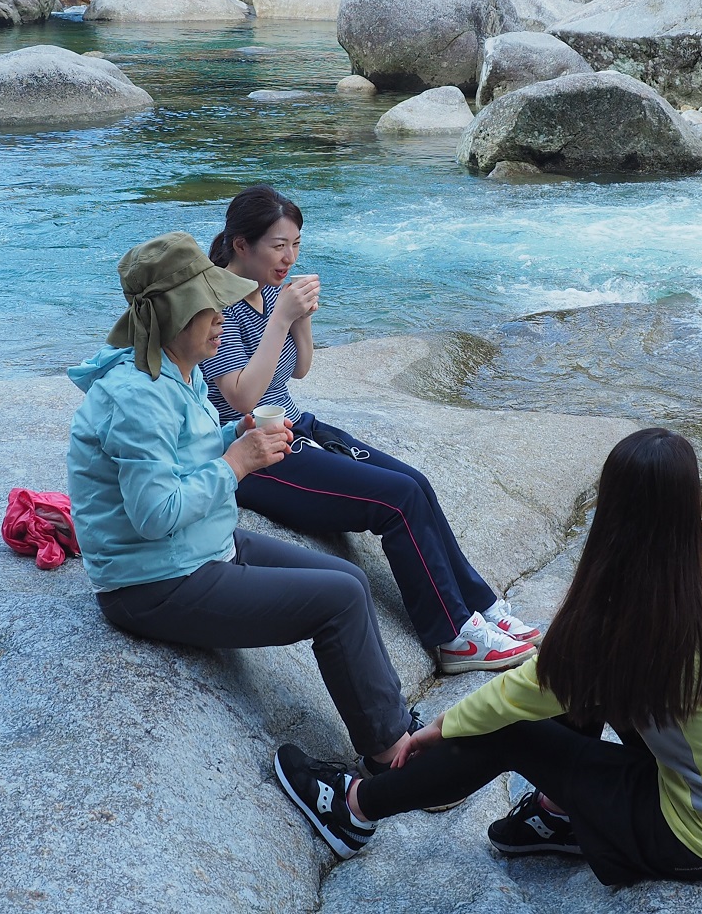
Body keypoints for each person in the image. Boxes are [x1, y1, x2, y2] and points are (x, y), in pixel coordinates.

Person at [272, 427, 702, 888]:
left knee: (512, 730)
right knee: (591, 689)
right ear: (693, 504)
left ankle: (354, 810)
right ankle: (561, 814)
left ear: (612, 511)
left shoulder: (625, 627)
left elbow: (524, 692)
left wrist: (439, 727)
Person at [68, 231, 415, 775]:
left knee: (349, 578)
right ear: (175, 313)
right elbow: (154, 516)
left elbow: (182, 452)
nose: (223, 318)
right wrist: (236, 462)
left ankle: (392, 720)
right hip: (153, 583)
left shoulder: (172, 370)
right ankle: (391, 756)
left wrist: (234, 433)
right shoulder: (138, 397)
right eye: (211, 307)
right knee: (341, 600)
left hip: (199, 546)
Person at [201, 185, 537, 675]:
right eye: (278, 245)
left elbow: (300, 369)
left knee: (414, 482)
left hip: (295, 426)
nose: (290, 257)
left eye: (296, 244)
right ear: (240, 245)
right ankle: (451, 638)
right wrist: (281, 318)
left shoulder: (272, 290)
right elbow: (241, 398)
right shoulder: (216, 305)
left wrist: (300, 319)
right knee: (396, 500)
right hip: (252, 449)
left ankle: (478, 605)